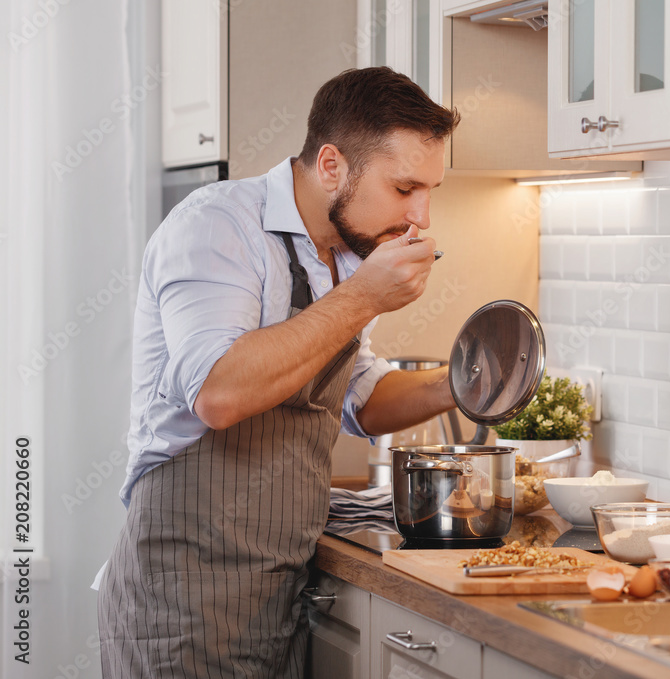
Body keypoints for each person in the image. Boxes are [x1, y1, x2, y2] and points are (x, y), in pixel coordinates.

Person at [97, 67, 460, 678]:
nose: (421, 216)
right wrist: (363, 299)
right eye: (404, 189)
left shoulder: (344, 255)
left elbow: (359, 397)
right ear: (331, 165)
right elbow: (218, 391)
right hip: (182, 596)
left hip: (274, 592)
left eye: (431, 190)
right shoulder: (217, 227)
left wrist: (459, 384)